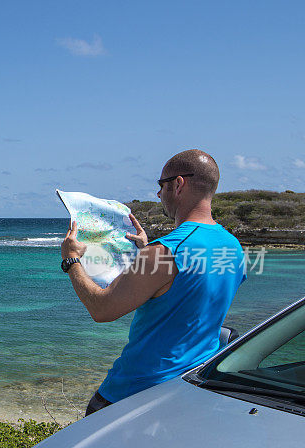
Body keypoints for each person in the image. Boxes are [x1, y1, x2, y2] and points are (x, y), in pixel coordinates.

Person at [60, 149, 246, 416]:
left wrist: (72, 261)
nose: (159, 194)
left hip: (133, 394)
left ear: (178, 184)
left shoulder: (165, 253)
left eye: (162, 185)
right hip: (188, 390)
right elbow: (191, 291)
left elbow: (102, 310)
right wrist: (147, 250)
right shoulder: (232, 246)